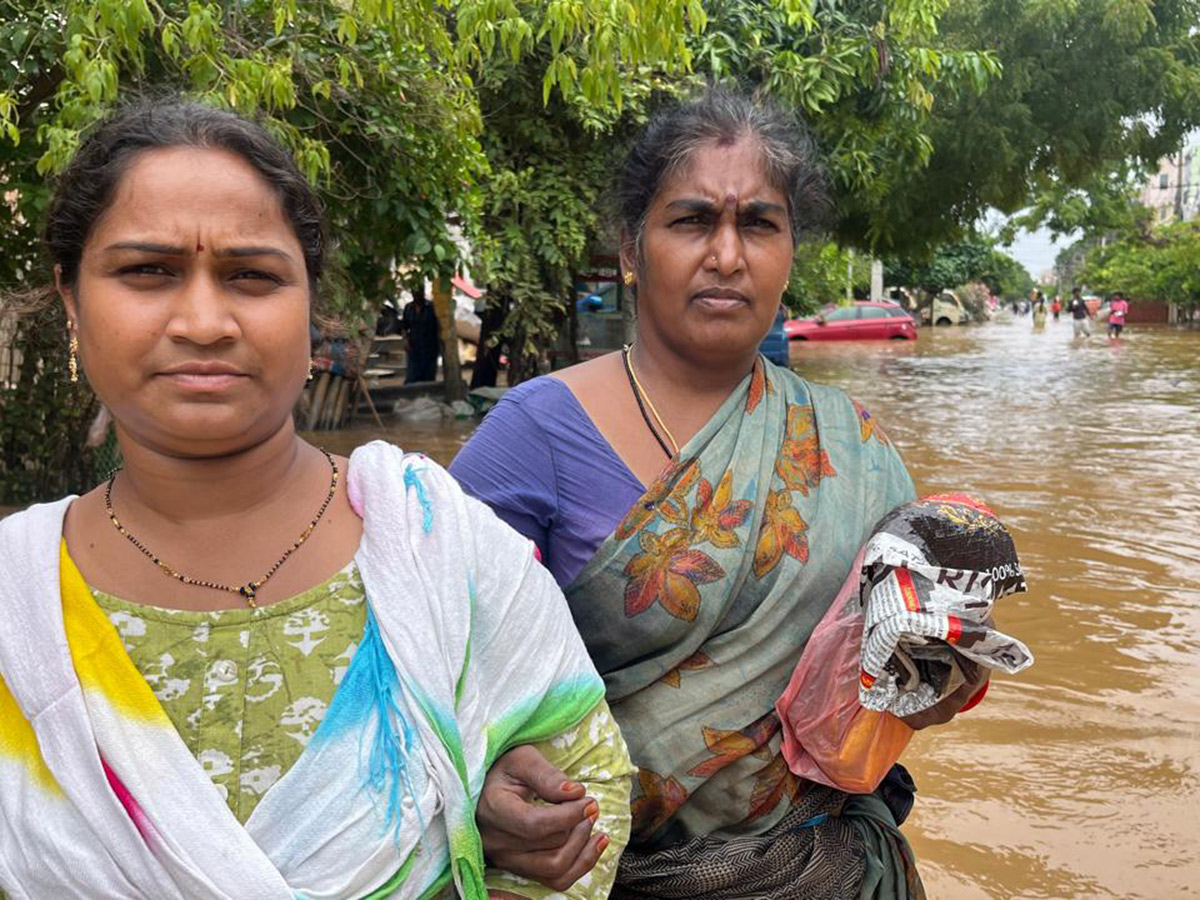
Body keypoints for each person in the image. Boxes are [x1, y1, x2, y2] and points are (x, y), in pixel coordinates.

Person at [0, 99, 632, 900]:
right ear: (70, 299)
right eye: (147, 272)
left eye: (252, 277)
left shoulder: (440, 547)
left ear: (311, 304)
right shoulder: (15, 606)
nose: (203, 321)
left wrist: (491, 805)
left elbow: (593, 784)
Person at [453, 90, 987, 899]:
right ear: (632, 250)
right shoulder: (536, 434)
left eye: (760, 224)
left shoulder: (854, 445)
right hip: (597, 874)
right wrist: (479, 787)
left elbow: (873, 698)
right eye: (693, 221)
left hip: (826, 871)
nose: (728, 255)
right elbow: (417, 670)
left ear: (791, 252)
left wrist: (929, 679)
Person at [401, 281, 441, 383]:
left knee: (428, 376)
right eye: (414, 292)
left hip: (430, 346)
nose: (417, 295)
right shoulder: (408, 308)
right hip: (414, 346)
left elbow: (438, 327)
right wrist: (405, 340)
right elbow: (404, 326)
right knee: (412, 376)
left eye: (419, 292)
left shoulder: (431, 307)